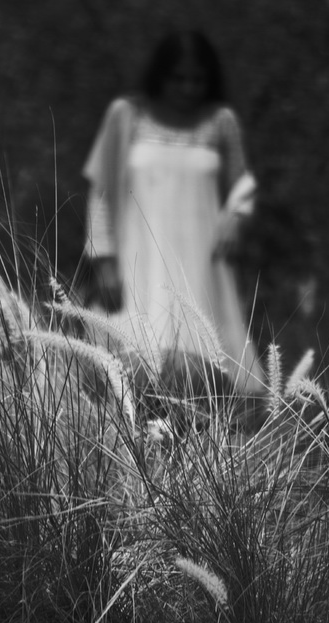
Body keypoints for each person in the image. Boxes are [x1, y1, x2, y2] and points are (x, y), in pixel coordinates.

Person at [82, 29, 263, 394]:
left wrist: (235, 218)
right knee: (126, 376)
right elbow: (100, 193)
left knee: (209, 380)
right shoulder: (126, 116)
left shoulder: (220, 122)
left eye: (198, 80)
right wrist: (104, 261)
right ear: (160, 75)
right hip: (138, 264)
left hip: (202, 267)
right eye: (178, 78)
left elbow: (242, 187)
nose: (188, 88)